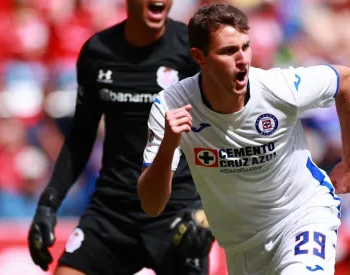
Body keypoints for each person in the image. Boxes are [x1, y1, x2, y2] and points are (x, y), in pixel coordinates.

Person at [138, 3, 350, 275]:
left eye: (245, 46)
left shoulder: (278, 88)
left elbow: (346, 81)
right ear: (200, 57)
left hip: (302, 217)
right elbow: (151, 205)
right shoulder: (171, 106)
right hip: (242, 247)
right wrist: (168, 146)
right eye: (228, 51)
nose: (242, 59)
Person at [28, 1, 214, 274]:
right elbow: (81, 137)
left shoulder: (193, 50)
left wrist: (206, 207)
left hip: (178, 210)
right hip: (112, 211)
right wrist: (48, 204)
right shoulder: (98, 52)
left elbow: (223, 131)